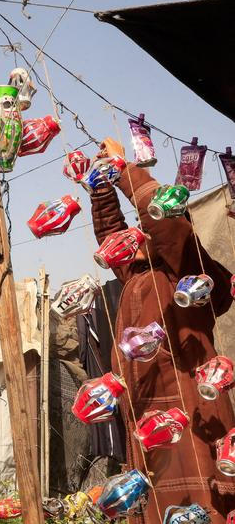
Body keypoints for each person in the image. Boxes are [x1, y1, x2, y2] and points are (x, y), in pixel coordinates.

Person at [91, 137, 235, 524]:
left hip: (192, 418)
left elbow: (168, 224)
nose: (133, 241)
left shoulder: (184, 270)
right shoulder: (140, 273)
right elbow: (111, 238)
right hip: (150, 422)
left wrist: (124, 171)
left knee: (201, 507)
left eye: (144, 231)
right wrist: (100, 185)